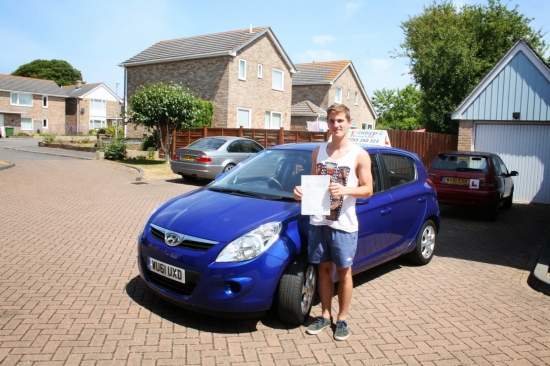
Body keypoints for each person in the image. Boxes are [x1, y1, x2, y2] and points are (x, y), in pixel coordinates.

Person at [293, 103, 373, 341]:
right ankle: (325, 315)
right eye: (331, 121)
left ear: (349, 123)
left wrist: (346, 189)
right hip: (319, 221)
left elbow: (368, 189)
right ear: (327, 124)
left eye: (340, 121)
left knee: (344, 271)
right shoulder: (318, 151)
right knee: (324, 269)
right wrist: (301, 191)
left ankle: (343, 319)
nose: (336, 125)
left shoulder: (359, 154)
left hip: (344, 224)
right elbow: (314, 183)